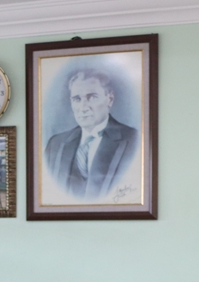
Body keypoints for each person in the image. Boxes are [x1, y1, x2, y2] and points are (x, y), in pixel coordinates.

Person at [43, 69, 138, 200]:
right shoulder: (55, 144)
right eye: (77, 99)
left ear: (109, 99)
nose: (83, 107)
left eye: (92, 97)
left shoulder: (134, 140)